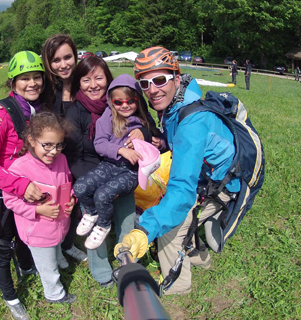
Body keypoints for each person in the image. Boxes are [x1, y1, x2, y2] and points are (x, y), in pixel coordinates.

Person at [114, 47, 240, 295]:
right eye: (145, 83)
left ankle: (177, 285)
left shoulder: (191, 122)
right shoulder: (176, 104)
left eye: (159, 80)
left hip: (224, 185)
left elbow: (182, 193)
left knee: (171, 226)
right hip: (210, 177)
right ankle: (199, 258)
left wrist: (144, 231)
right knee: (181, 212)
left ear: (176, 78)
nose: (152, 89)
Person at [0, 34, 87, 263]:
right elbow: (17, 104)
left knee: (70, 207)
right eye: (56, 60)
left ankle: (64, 245)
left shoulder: (85, 83)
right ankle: (44, 252)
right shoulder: (48, 90)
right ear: (49, 65)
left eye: (68, 57)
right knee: (47, 209)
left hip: (74, 158)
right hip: (50, 159)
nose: (63, 64)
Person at [64, 56, 158, 287]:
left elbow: (152, 132)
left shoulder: (124, 99)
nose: (93, 85)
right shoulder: (76, 113)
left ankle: (128, 264)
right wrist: (101, 179)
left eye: (99, 78)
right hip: (95, 175)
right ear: (79, 83)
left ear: (108, 79)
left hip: (125, 173)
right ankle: (102, 272)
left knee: (125, 223)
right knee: (97, 225)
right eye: (86, 80)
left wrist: (143, 136)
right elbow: (74, 156)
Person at [0, 51, 47, 319]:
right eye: (24, 78)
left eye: (36, 77)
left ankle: (27, 267)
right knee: (3, 247)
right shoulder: (0, 114)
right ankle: (11, 297)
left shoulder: (37, 110)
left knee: (22, 234)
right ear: (12, 82)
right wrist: (19, 186)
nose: (32, 83)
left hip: (18, 188)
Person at [73, 74, 162, 250]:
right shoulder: (108, 117)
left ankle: (104, 225)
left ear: (138, 100)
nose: (125, 106)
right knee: (80, 187)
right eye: (118, 102)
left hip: (131, 172)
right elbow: (99, 144)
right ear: (111, 102)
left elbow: (160, 141)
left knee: (103, 195)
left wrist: (147, 134)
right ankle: (91, 213)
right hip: (109, 165)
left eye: (130, 101)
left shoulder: (143, 118)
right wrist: (120, 150)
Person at [3, 112, 77, 304]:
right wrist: (37, 210)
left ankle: (59, 257)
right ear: (31, 140)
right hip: (37, 231)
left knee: (57, 243)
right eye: (47, 145)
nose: (53, 151)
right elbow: (10, 201)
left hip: (59, 224)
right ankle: (55, 293)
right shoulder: (19, 168)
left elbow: (68, 182)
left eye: (59, 145)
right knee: (48, 267)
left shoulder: (61, 159)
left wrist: (71, 199)